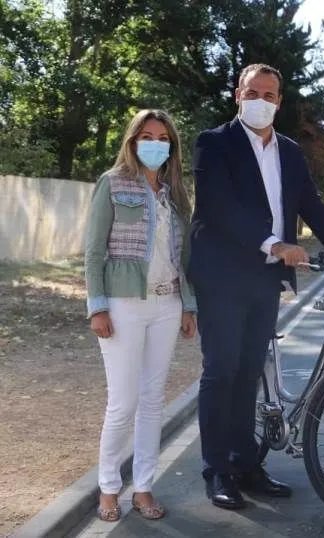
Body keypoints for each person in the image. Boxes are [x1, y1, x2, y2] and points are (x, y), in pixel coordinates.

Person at [188, 63, 324, 510]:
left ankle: (245, 463)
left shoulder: (288, 151)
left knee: (249, 372)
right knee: (221, 371)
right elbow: (218, 207)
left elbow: (312, 206)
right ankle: (218, 471)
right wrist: (274, 243)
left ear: (279, 102)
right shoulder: (214, 144)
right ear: (237, 95)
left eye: (270, 95)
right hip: (222, 274)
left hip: (264, 278)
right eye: (254, 92)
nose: (262, 101)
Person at [84, 109, 198, 522]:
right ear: (133, 141)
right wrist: (97, 306)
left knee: (152, 402)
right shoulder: (112, 183)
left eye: (163, 137)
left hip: (167, 304)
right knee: (123, 402)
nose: (155, 143)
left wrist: (188, 305)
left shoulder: (175, 192)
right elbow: (94, 251)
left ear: (171, 145)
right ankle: (109, 488)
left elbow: (182, 256)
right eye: (147, 135)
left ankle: (144, 487)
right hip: (123, 305)